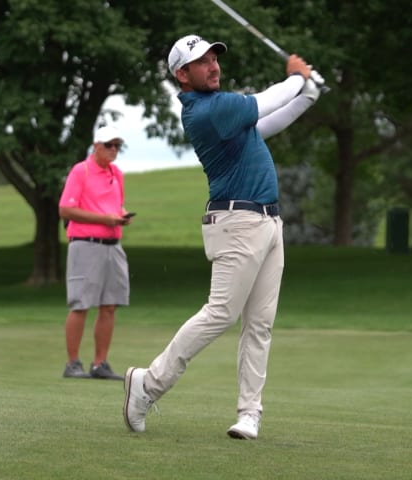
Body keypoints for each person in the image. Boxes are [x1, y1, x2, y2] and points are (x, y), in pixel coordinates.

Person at [122, 34, 321, 439]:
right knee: (221, 313)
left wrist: (306, 96)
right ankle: (148, 384)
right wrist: (298, 78)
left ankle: (249, 413)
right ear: (182, 74)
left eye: (215, 58)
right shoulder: (206, 111)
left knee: (260, 324)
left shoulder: (226, 113)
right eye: (202, 62)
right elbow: (266, 101)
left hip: (268, 223)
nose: (213, 66)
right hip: (236, 223)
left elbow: (267, 123)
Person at [58, 125, 133, 380]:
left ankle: (100, 364)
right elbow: (65, 210)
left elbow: (115, 205)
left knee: (109, 305)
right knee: (81, 304)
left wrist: (120, 216)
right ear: (96, 146)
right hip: (85, 243)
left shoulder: (117, 174)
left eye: (117, 146)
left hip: (113, 245)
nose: (114, 150)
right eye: (109, 145)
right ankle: (72, 364)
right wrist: (105, 219)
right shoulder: (81, 170)